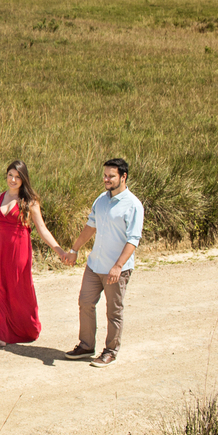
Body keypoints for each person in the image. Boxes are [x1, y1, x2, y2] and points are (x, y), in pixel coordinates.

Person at [62, 158, 144, 368]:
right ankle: (87, 345)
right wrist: (74, 249)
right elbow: (90, 226)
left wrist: (118, 266)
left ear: (123, 177)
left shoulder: (133, 205)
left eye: (111, 176)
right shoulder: (101, 200)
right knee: (85, 303)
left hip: (116, 269)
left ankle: (110, 351)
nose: (106, 179)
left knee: (113, 311)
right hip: (94, 264)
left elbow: (133, 240)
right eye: (105, 176)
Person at [0, 160, 67, 350]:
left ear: (23, 179)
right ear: (6, 175)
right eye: (10, 175)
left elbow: (42, 229)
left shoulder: (30, 202)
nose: (13, 179)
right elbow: (0, 227)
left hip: (18, 251)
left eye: (17, 177)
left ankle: (26, 329)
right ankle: (1, 334)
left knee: (18, 290)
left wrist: (59, 250)